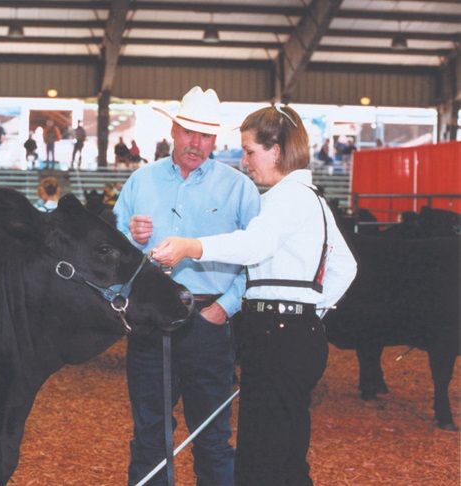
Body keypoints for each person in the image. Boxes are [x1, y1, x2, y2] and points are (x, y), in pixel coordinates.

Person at [150, 104, 357, 486]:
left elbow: (253, 246)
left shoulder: (288, 198)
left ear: (276, 150)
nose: (244, 161)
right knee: (284, 453)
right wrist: (309, 313)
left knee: (263, 459)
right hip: (290, 333)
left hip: (279, 334)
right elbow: (346, 268)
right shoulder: (313, 199)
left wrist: (190, 246)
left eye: (250, 151)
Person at [114, 86, 261, 486]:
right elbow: (112, 253)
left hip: (207, 321)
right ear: (174, 131)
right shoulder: (140, 181)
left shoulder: (239, 188)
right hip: (149, 322)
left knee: (211, 435)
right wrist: (131, 237)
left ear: (216, 139)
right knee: (148, 434)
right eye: (189, 133)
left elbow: (259, 256)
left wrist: (224, 308)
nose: (197, 144)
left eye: (206, 136)